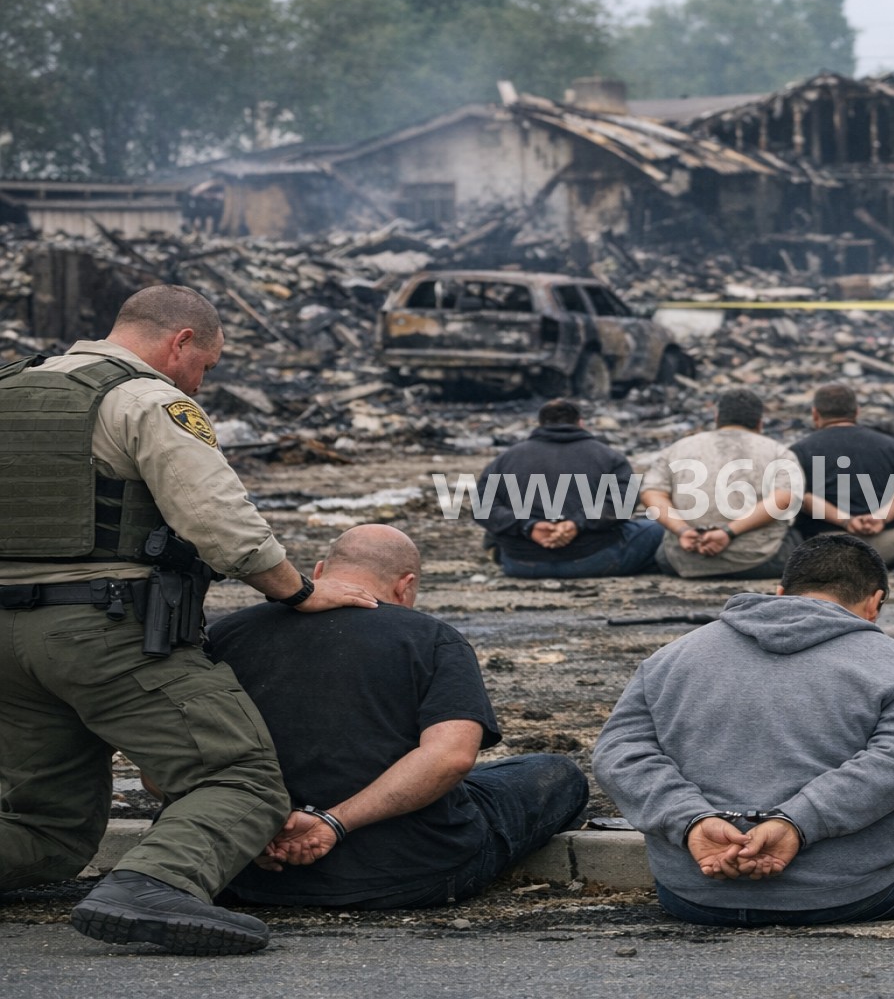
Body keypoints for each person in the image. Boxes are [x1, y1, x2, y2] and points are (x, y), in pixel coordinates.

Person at [0, 284, 378, 955]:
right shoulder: (146, 399)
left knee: (46, 824)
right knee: (240, 780)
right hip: (103, 633)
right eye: (206, 365)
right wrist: (294, 593)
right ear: (179, 343)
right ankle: (155, 883)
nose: (202, 382)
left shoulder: (10, 387)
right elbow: (220, 523)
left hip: (8, 646)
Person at [591, 534, 894, 926]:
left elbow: (620, 753)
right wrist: (795, 823)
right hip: (854, 894)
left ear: (781, 592)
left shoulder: (672, 658)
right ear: (875, 603)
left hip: (693, 892)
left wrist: (692, 820)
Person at [210, 525, 589, 909]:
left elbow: (165, 769)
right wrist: (333, 822)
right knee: (557, 773)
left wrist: (264, 829)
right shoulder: (433, 638)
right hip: (413, 872)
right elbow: (451, 758)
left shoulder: (224, 633)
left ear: (321, 571)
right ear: (405, 586)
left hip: (244, 871)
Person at [474, 399, 663, 578]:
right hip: (594, 559)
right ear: (580, 423)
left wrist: (529, 526)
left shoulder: (506, 459)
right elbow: (625, 502)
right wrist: (576, 524)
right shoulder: (608, 456)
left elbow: (482, 506)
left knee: (496, 525)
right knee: (659, 525)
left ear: (540, 424)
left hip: (522, 564)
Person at [640, 388, 804, 579]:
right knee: (800, 536)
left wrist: (682, 530)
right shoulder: (778, 452)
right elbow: (783, 500)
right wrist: (727, 533)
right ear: (760, 423)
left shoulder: (677, 448)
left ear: (717, 418)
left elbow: (651, 493)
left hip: (682, 559)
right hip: (757, 560)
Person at [790, 383, 894, 568]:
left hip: (826, 548)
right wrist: (880, 517)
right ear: (857, 412)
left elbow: (798, 496)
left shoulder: (800, 451)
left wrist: (846, 521)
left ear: (815, 414)